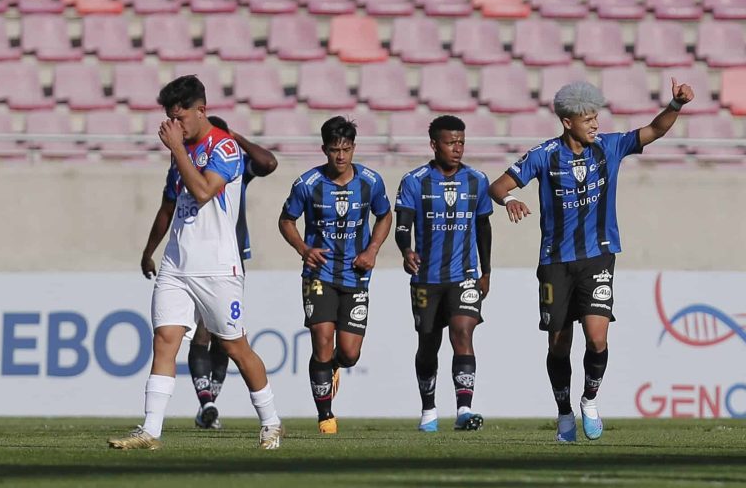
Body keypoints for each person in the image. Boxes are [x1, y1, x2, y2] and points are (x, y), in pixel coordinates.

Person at [489, 79, 694, 442]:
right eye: (588, 119)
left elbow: (654, 130)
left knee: (597, 338)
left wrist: (675, 105)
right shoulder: (544, 155)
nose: (596, 125)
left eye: (596, 117)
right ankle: (564, 410)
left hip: (598, 256)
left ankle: (590, 399)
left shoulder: (609, 147)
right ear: (568, 122)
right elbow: (498, 186)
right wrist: (510, 201)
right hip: (555, 261)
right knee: (558, 343)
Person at [108, 75, 283, 450]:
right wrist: (149, 249)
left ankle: (271, 421)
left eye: (180, 117)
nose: (174, 126)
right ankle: (150, 431)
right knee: (165, 339)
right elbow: (170, 204)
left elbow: (203, 192)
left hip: (217, 266)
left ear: (201, 110)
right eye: (170, 118)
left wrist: (178, 149)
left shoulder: (225, 148)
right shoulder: (181, 150)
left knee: (235, 347)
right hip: (177, 263)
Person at [278, 116, 392, 434]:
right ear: (324, 150)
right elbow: (286, 220)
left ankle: (336, 368)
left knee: (349, 353)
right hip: (319, 274)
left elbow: (385, 216)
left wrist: (372, 251)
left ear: (353, 148)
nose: (340, 156)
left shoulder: (371, 182)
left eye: (345, 149)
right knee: (321, 342)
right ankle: (325, 415)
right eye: (333, 150)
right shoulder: (307, 184)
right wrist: (303, 249)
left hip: (356, 276)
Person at [394, 115, 493, 433]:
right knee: (428, 344)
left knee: (463, 332)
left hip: (464, 274)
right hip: (427, 279)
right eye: (451, 142)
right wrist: (406, 250)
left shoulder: (477, 180)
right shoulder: (414, 181)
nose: (458, 148)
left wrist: (486, 271)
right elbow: (402, 226)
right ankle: (428, 410)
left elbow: (483, 227)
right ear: (434, 144)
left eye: (461, 142)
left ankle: (464, 410)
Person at [182, 115, 278, 430]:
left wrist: (236, 136)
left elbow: (268, 163)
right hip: (197, 259)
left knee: (226, 337)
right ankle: (206, 402)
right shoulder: (192, 166)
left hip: (231, 258)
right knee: (203, 331)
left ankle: (209, 404)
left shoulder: (233, 165)